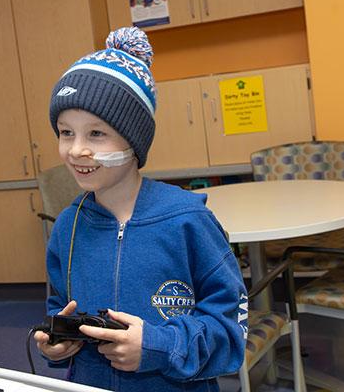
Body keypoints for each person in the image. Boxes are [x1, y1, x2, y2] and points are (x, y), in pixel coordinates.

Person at [34, 27, 248, 392]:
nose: (76, 150)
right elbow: (58, 307)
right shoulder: (68, 226)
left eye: (96, 134)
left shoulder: (187, 221)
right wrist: (56, 345)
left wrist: (157, 348)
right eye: (66, 132)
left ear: (133, 141)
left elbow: (230, 332)